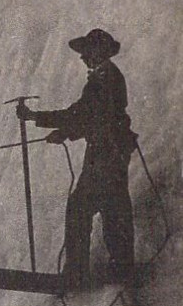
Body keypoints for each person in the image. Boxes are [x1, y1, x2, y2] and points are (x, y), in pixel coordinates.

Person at [17, 28, 137, 289]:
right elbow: (90, 117)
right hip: (110, 153)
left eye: (86, 52)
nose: (82, 57)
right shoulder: (106, 77)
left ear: (98, 52)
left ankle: (77, 276)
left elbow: (82, 115)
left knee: (81, 208)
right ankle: (122, 268)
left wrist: (36, 117)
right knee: (113, 208)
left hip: (106, 154)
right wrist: (64, 132)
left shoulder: (103, 79)